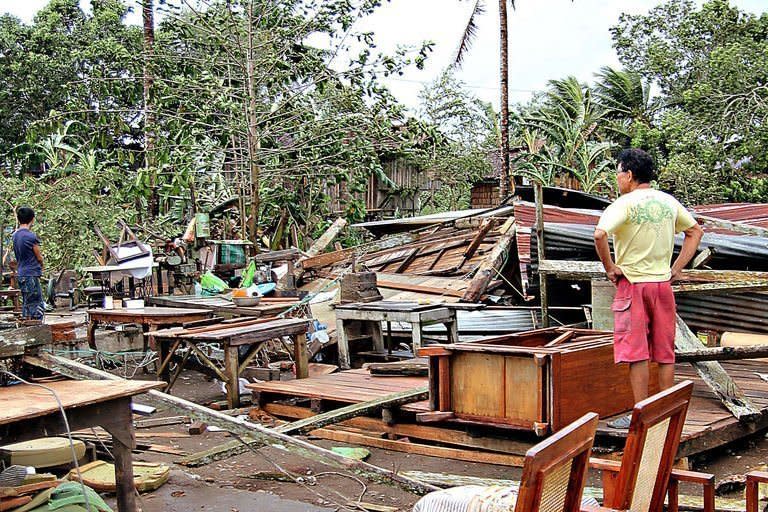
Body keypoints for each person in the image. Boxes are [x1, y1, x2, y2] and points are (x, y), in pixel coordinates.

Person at [593, 149, 703, 429]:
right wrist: (676, 269)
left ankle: (640, 413)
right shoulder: (668, 202)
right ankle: (666, 412)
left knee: (636, 352)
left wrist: (610, 267)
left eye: (618, 173)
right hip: (662, 285)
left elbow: (599, 234)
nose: (617, 179)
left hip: (634, 285)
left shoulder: (624, 204)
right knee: (665, 351)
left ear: (629, 175)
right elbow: (695, 232)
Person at [12, 206, 44, 320]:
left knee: (27, 302)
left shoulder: (15, 235)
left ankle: (27, 326)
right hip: (31, 273)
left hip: (21, 273)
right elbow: (39, 257)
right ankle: (37, 329)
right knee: (36, 303)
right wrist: (41, 265)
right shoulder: (31, 236)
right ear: (32, 219)